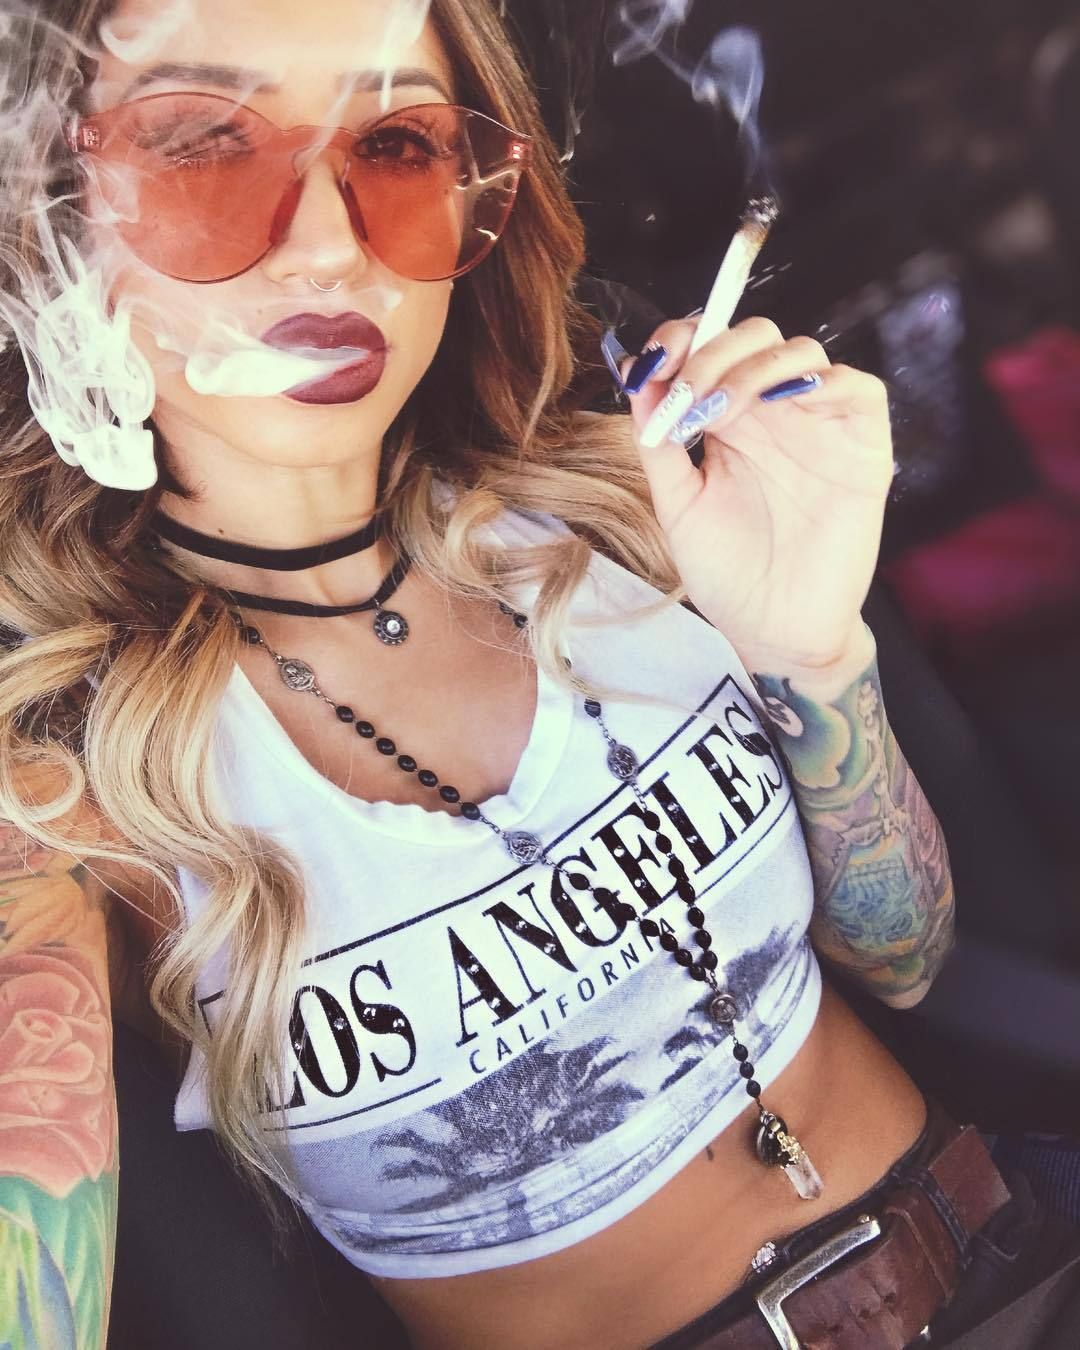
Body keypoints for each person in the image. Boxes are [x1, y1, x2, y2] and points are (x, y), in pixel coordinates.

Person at [0, 1, 1078, 1348]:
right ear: (53, 228)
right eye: (203, 146)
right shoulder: (53, 771)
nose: (331, 243)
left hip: (1009, 1248)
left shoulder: (620, 503)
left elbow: (910, 961)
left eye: (399, 143)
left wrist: (810, 649)